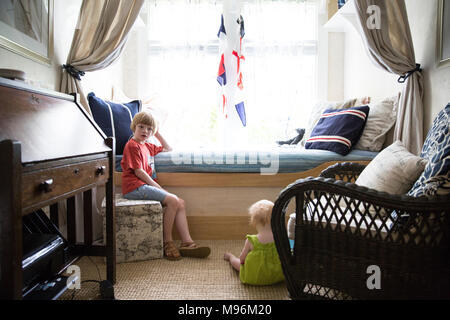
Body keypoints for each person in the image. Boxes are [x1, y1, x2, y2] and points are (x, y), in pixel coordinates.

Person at [121, 111, 210, 260]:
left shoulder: (147, 146)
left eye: (149, 129)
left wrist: (157, 132)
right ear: (134, 127)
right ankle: (167, 242)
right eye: (141, 127)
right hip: (134, 187)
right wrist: (158, 187)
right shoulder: (132, 145)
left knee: (180, 203)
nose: (145, 131)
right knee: (173, 200)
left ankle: (187, 243)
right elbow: (139, 172)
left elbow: (168, 148)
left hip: (142, 186)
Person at [224, 200, 285, 285]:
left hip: (254, 276)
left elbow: (242, 258)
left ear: (254, 222)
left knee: (237, 263)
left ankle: (230, 257)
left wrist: (243, 264)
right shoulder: (280, 237)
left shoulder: (251, 240)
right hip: (277, 275)